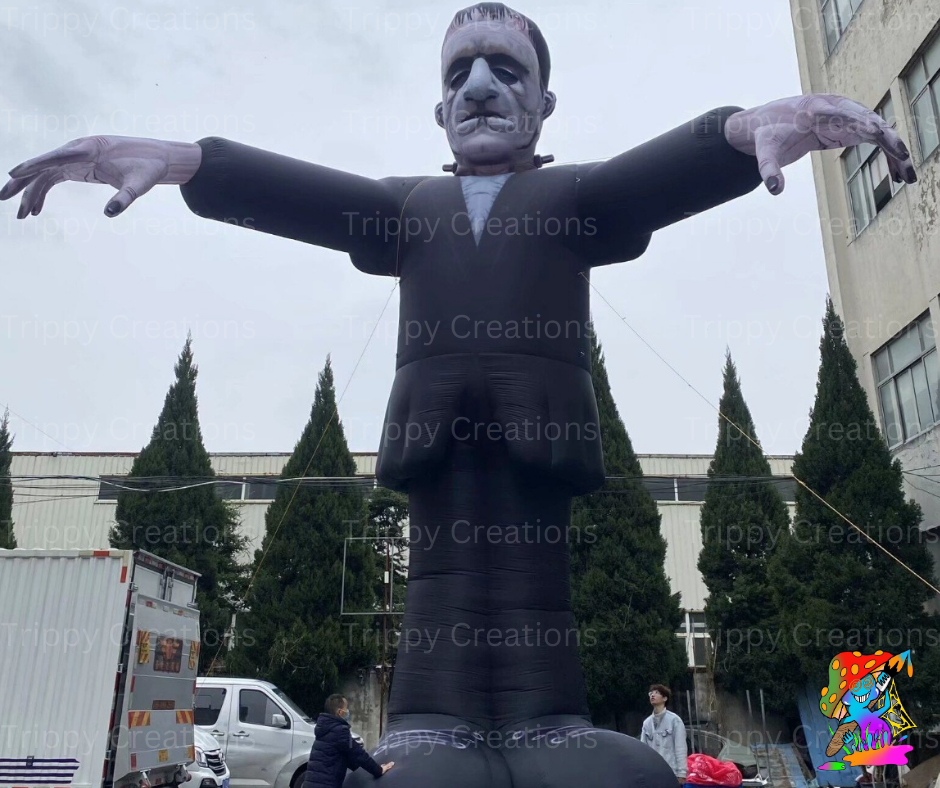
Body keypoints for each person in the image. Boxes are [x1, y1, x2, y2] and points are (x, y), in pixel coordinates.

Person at [2, 4, 917, 786]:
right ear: (439, 106)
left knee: (536, 585)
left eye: (506, 69)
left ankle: (544, 719)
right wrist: (177, 158)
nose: (481, 85)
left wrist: (750, 124)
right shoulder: (404, 211)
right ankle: (431, 721)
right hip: (434, 438)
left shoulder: (574, 199)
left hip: (539, 432)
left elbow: (661, 172)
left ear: (544, 102)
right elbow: (294, 192)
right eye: (461, 73)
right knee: (437, 589)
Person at [301, 694, 393, 788]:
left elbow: (346, 757)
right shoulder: (339, 731)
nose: (348, 711)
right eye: (346, 708)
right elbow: (358, 754)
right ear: (340, 712)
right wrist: (379, 770)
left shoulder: (324, 729)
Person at [641, 685, 688, 784]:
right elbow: (643, 749)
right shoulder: (646, 723)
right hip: (653, 773)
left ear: (665, 698)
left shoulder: (674, 720)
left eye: (657, 693)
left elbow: (680, 748)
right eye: (651, 693)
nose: (652, 695)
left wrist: (682, 773)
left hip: (671, 772)